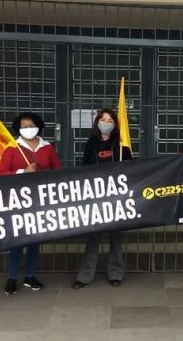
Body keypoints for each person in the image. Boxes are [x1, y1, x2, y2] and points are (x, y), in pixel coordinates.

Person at [0, 112, 62, 295]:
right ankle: (11, 277)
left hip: (40, 199)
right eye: (23, 127)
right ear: (18, 129)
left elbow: (58, 171)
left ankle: (30, 275)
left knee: (35, 240)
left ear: (38, 126)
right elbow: (0, 173)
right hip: (17, 200)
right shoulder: (12, 147)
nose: (28, 129)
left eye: (30, 125)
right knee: (17, 240)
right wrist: (21, 172)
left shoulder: (47, 147)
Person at [72, 109, 132, 289]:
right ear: (98, 122)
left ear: (115, 124)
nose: (106, 123)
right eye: (103, 119)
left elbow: (132, 171)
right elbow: (85, 169)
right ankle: (84, 276)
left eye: (110, 120)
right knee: (93, 238)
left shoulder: (122, 146)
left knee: (115, 238)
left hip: (116, 198)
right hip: (95, 198)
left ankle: (116, 273)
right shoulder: (91, 144)